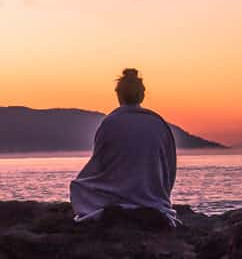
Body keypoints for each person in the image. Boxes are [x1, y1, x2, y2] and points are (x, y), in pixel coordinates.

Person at [69, 68, 178, 222]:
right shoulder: (158, 122)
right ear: (142, 95)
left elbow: (99, 162)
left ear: (118, 95)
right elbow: (169, 168)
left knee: (78, 186)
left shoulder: (110, 122)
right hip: (153, 195)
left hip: (116, 191)